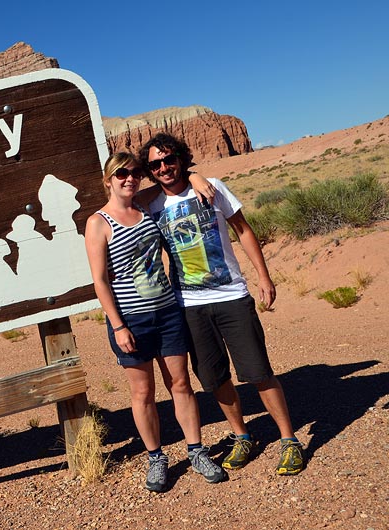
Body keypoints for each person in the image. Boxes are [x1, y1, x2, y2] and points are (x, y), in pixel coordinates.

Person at [139, 133, 306, 476]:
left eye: (169, 159)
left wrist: (264, 276)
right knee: (214, 377)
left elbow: (242, 230)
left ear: (180, 158)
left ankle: (289, 440)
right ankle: (242, 436)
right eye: (155, 164)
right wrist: (191, 175)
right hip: (188, 305)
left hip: (231, 296)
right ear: (149, 170)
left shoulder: (213, 187)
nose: (164, 167)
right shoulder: (152, 205)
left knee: (258, 371)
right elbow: (119, 196)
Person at [84, 152, 227, 492]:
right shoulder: (98, 223)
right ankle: (156, 458)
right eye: (121, 173)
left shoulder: (145, 205)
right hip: (131, 321)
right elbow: (100, 281)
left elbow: (173, 183)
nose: (129, 178)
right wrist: (118, 326)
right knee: (143, 392)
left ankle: (196, 451)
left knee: (180, 384)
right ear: (108, 180)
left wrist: (194, 177)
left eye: (135, 172)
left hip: (167, 312)